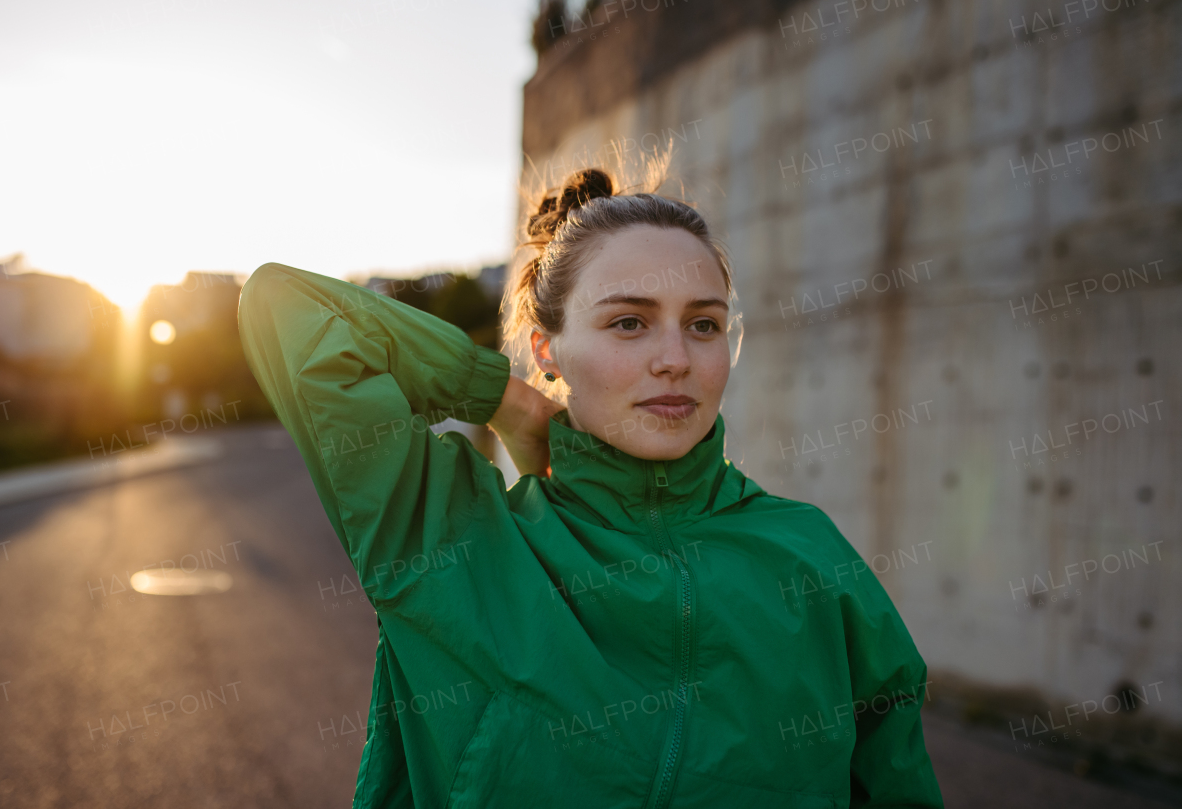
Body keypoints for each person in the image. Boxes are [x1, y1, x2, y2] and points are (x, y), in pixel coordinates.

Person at [237, 167, 943, 808]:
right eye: (628, 322)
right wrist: (501, 398)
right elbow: (282, 305)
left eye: (703, 324)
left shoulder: (813, 559)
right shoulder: (452, 539)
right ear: (546, 347)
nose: (675, 359)